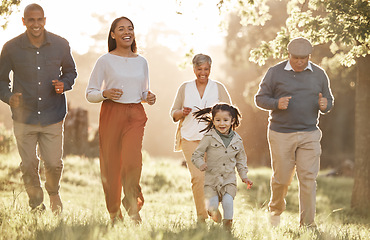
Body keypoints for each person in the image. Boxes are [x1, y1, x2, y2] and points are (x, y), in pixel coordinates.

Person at [0, 3, 77, 214]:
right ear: (24, 21)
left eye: (39, 19)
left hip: (53, 114)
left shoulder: (61, 44)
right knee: (28, 165)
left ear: (45, 20)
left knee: (53, 163)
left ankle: (53, 192)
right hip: (24, 117)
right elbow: (0, 80)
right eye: (31, 20)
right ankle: (36, 205)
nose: (36, 24)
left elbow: (71, 72)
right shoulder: (11, 47)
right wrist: (8, 97)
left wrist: (64, 83)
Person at [255, 37, 334, 227]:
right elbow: (259, 98)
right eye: (295, 57)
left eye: (304, 58)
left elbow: (329, 100)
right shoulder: (275, 72)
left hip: (309, 133)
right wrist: (276, 103)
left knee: (308, 178)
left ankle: (307, 224)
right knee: (282, 178)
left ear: (309, 57)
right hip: (281, 133)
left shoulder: (319, 74)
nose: (299, 62)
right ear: (288, 55)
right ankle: (275, 212)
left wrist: (326, 105)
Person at [86, 16, 156, 224]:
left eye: (130, 28)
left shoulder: (142, 61)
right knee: (111, 164)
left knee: (133, 161)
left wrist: (149, 97)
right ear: (113, 34)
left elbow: (143, 92)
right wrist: (105, 93)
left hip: (135, 114)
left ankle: (132, 205)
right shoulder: (105, 60)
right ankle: (114, 213)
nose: (127, 32)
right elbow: (90, 93)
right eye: (121, 29)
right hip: (111, 114)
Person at [170, 54, 232, 222]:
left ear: (210, 69)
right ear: (194, 69)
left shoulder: (218, 87)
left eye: (206, 69)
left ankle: (213, 206)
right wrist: (181, 112)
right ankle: (201, 217)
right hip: (189, 138)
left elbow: (230, 113)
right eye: (199, 69)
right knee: (198, 178)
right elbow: (173, 113)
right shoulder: (185, 88)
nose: (203, 73)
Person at [191, 103, 253, 231]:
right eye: (218, 120)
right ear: (213, 120)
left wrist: (244, 176)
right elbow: (196, 155)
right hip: (212, 181)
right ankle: (214, 216)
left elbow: (241, 160)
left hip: (228, 180)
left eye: (225, 120)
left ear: (232, 121)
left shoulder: (237, 140)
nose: (222, 123)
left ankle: (227, 229)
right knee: (213, 207)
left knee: (228, 202)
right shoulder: (208, 137)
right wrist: (201, 164)